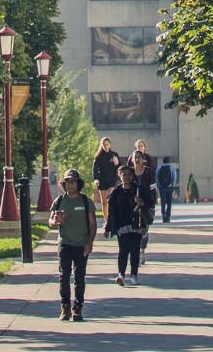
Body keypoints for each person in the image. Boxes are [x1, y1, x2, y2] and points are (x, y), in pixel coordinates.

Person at [48, 169, 97, 321]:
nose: (70, 184)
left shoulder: (85, 201)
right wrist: (55, 222)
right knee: (64, 276)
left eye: (73, 182)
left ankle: (78, 308)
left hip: (82, 244)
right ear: (64, 184)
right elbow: (50, 221)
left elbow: (93, 224)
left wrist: (90, 242)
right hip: (65, 243)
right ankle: (65, 307)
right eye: (67, 182)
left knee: (79, 277)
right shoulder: (59, 201)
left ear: (78, 183)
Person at [104, 165, 148, 286]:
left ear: (132, 176)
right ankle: (121, 275)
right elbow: (111, 211)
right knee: (123, 250)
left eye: (129, 174)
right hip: (121, 225)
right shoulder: (116, 192)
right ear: (119, 176)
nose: (127, 177)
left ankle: (134, 275)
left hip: (136, 225)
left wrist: (141, 202)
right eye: (124, 174)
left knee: (135, 250)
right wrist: (108, 228)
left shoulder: (138, 190)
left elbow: (148, 204)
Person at [132, 151, 156, 265]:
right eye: (135, 157)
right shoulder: (130, 173)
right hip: (132, 206)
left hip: (146, 205)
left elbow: (153, 190)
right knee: (134, 229)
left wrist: (149, 203)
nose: (137, 160)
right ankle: (135, 252)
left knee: (144, 229)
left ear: (143, 159)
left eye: (139, 157)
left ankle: (142, 251)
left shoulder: (148, 172)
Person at [91, 136, 121, 220]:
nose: (106, 146)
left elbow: (120, 167)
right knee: (104, 202)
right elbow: (94, 169)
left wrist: (117, 163)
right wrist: (96, 179)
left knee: (111, 200)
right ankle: (107, 221)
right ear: (102, 145)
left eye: (107, 144)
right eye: (104, 145)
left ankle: (113, 219)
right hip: (102, 181)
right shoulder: (98, 156)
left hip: (112, 180)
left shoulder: (114, 155)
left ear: (110, 145)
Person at [156, 157, 175, 223]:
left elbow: (157, 177)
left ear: (163, 161)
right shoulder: (171, 168)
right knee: (169, 202)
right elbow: (174, 177)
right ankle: (168, 216)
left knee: (163, 202)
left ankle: (163, 215)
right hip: (169, 187)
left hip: (162, 188)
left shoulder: (159, 168)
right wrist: (172, 185)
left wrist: (159, 186)